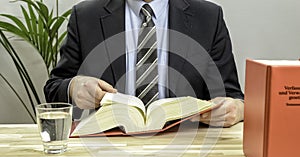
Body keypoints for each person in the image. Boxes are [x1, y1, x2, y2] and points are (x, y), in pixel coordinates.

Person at [44, 0, 244, 127]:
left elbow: (232, 97)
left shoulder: (209, 17)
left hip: (187, 149)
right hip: (108, 148)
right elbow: (54, 88)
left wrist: (235, 110)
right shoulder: (85, 16)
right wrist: (73, 87)